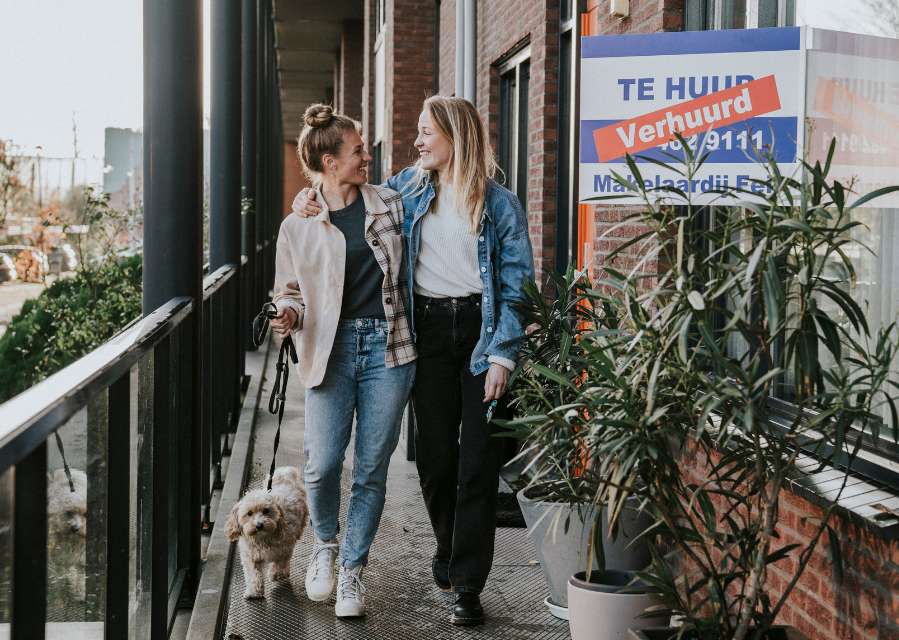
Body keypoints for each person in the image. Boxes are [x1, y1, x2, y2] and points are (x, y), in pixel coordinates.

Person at [292, 96, 535, 626]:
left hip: (482, 335)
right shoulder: (406, 189)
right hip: (423, 332)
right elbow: (340, 195)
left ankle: (467, 585)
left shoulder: (501, 205)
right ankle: (449, 548)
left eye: (427, 133)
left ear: (457, 137)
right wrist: (305, 201)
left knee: (477, 465)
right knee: (434, 461)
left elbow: (518, 286)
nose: (417, 142)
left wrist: (503, 355)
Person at [270, 103, 416, 618]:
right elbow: (289, 291)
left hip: (389, 349)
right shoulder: (299, 225)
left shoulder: (392, 204)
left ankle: (353, 569)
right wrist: (286, 314)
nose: (367, 157)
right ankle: (326, 546)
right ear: (330, 162)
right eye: (358, 151)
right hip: (327, 350)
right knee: (323, 463)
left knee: (372, 467)